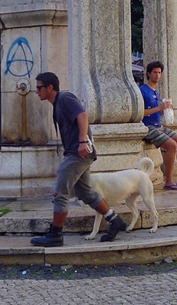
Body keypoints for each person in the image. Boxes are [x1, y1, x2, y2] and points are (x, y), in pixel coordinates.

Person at [29, 72, 127, 247]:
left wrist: (82, 141)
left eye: (39, 88)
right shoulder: (57, 104)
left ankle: (55, 235)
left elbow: (83, 116)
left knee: (59, 191)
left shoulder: (65, 98)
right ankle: (115, 220)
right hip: (77, 153)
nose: (36, 91)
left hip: (78, 153)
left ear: (50, 87)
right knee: (85, 193)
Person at [139, 61, 177, 190]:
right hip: (148, 127)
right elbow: (140, 113)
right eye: (155, 72)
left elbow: (157, 111)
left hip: (159, 125)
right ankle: (169, 180)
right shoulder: (143, 90)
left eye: (159, 73)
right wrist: (160, 108)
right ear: (149, 73)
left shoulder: (156, 92)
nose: (157, 75)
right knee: (172, 145)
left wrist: (167, 109)